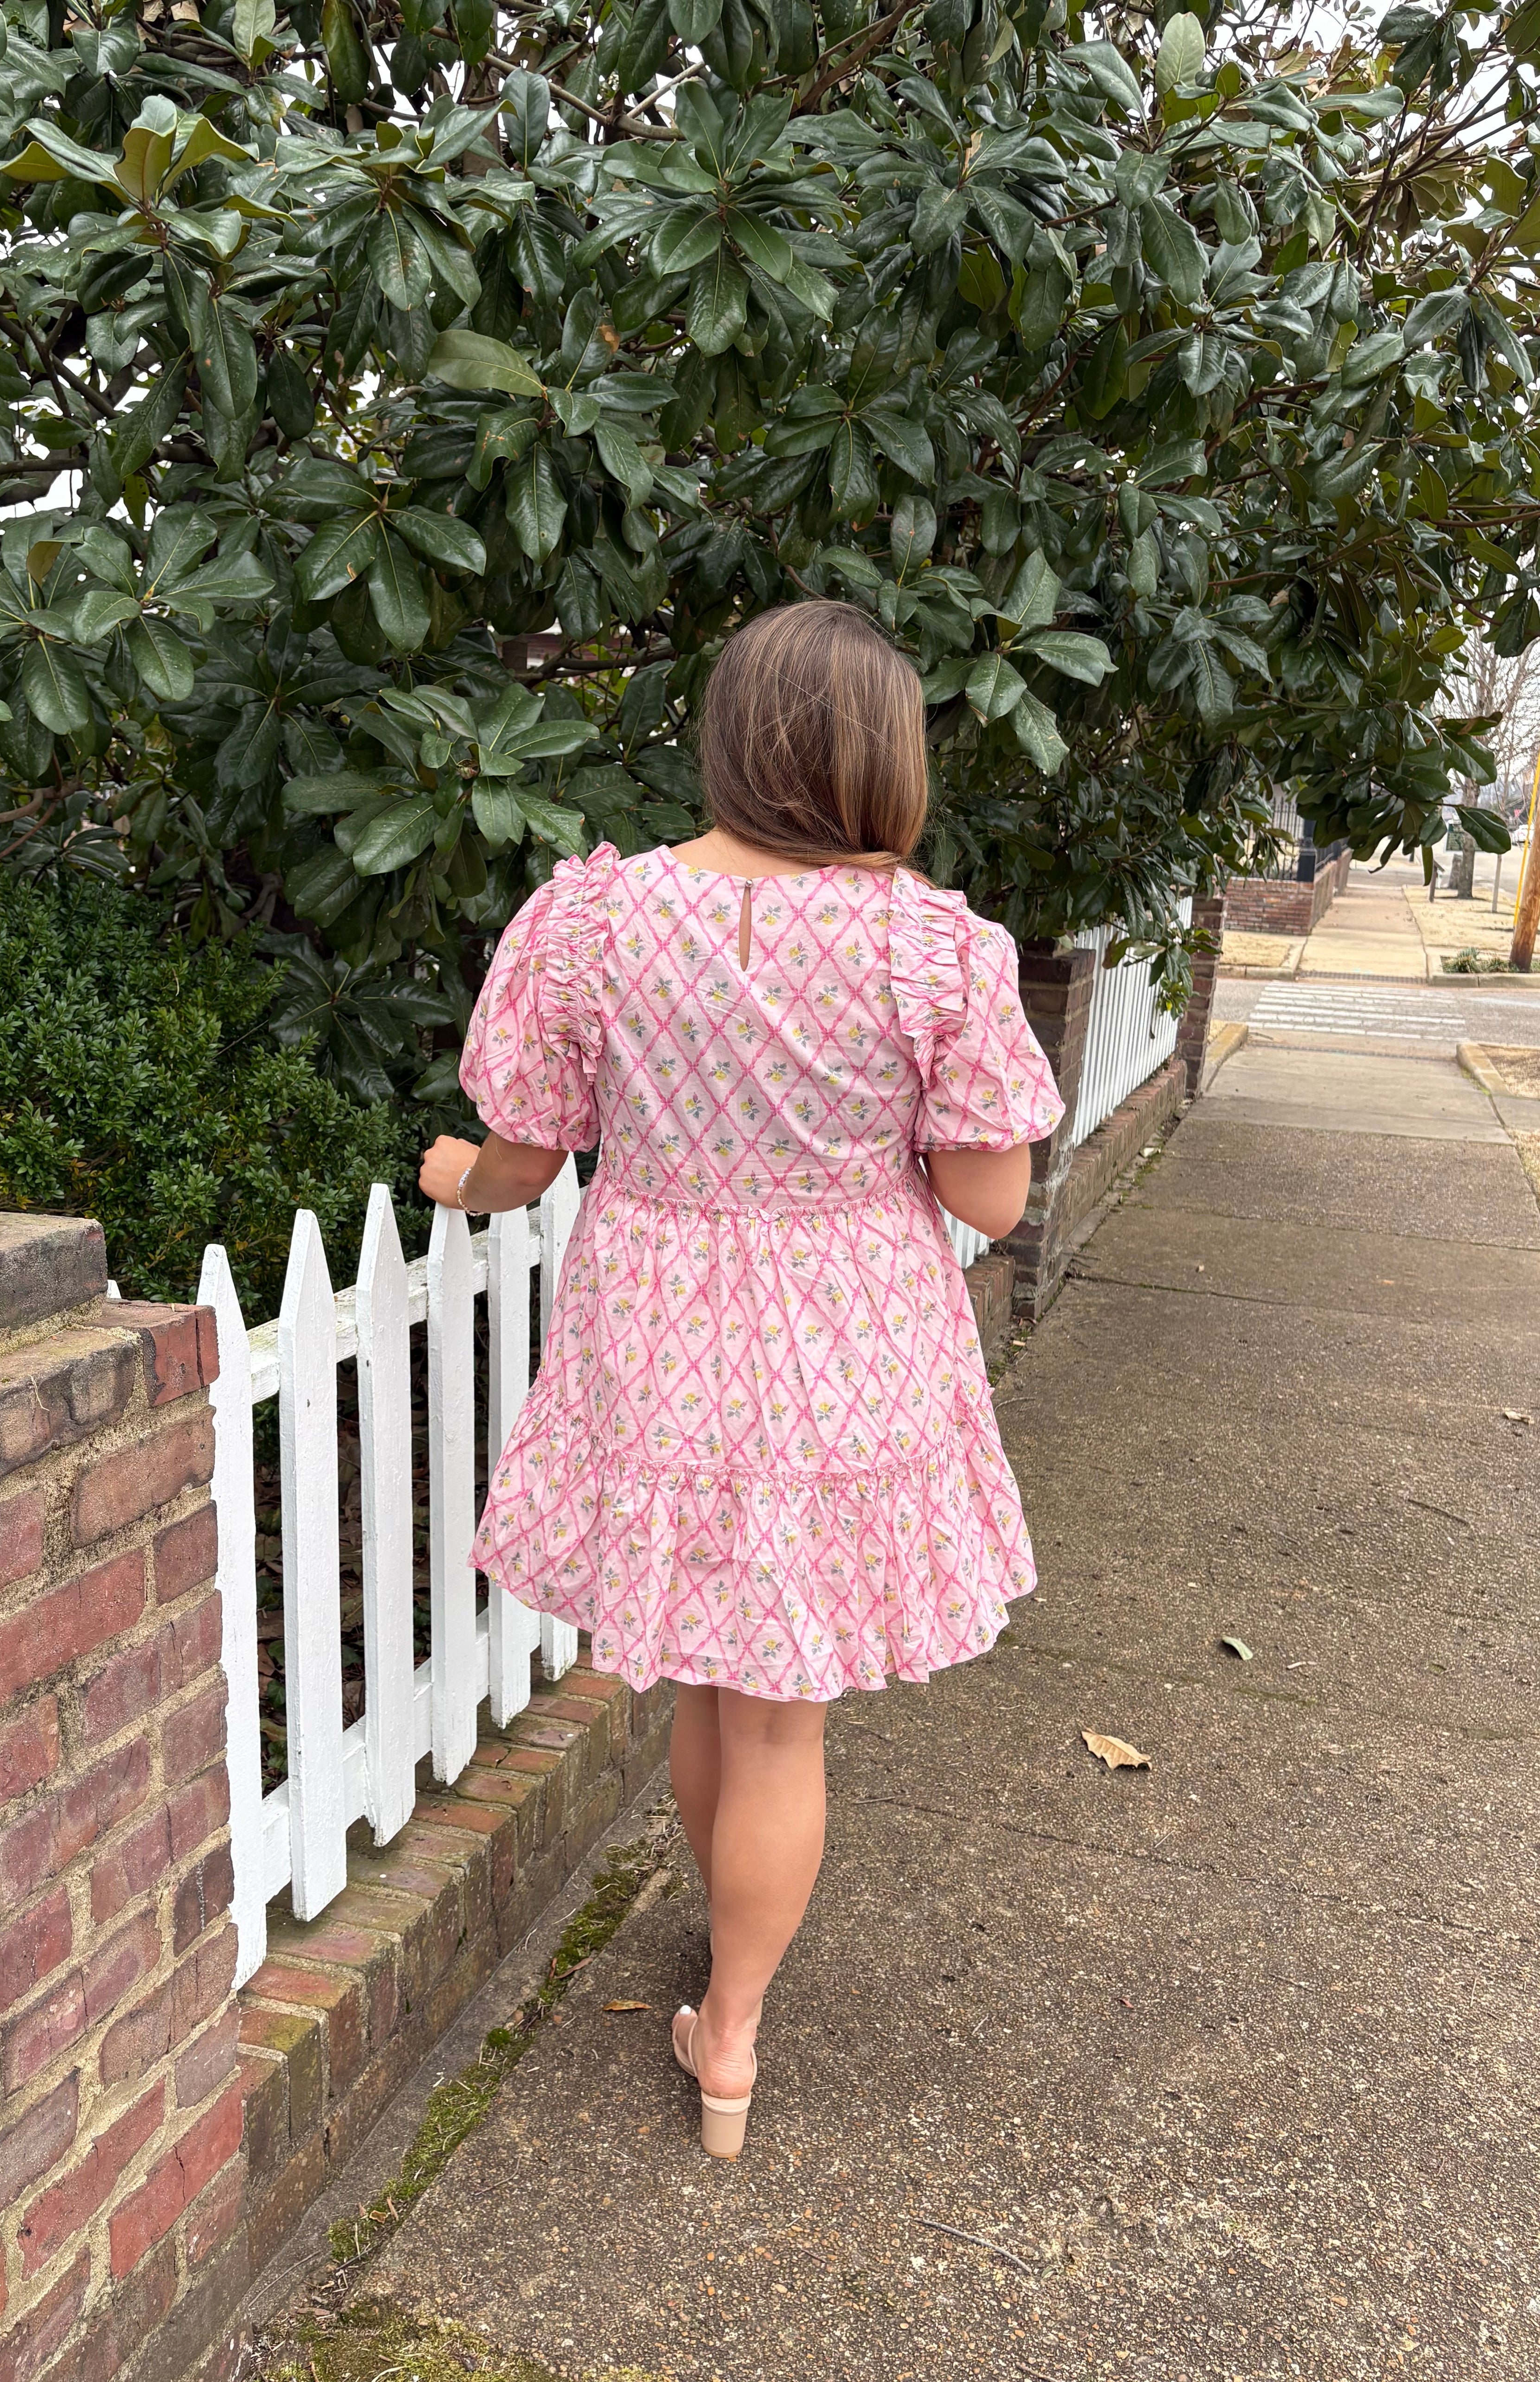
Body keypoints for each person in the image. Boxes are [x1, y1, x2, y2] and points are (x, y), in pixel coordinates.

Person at [418, 600, 1064, 2157]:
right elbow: (990, 1200)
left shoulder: (599, 923)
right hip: (848, 1343)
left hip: (663, 1332)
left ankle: (725, 2003)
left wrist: (461, 1181)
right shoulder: (936, 950)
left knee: (708, 1669)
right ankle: (737, 2033)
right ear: (884, 760)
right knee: (781, 1711)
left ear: (729, 738)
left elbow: (522, 1149)